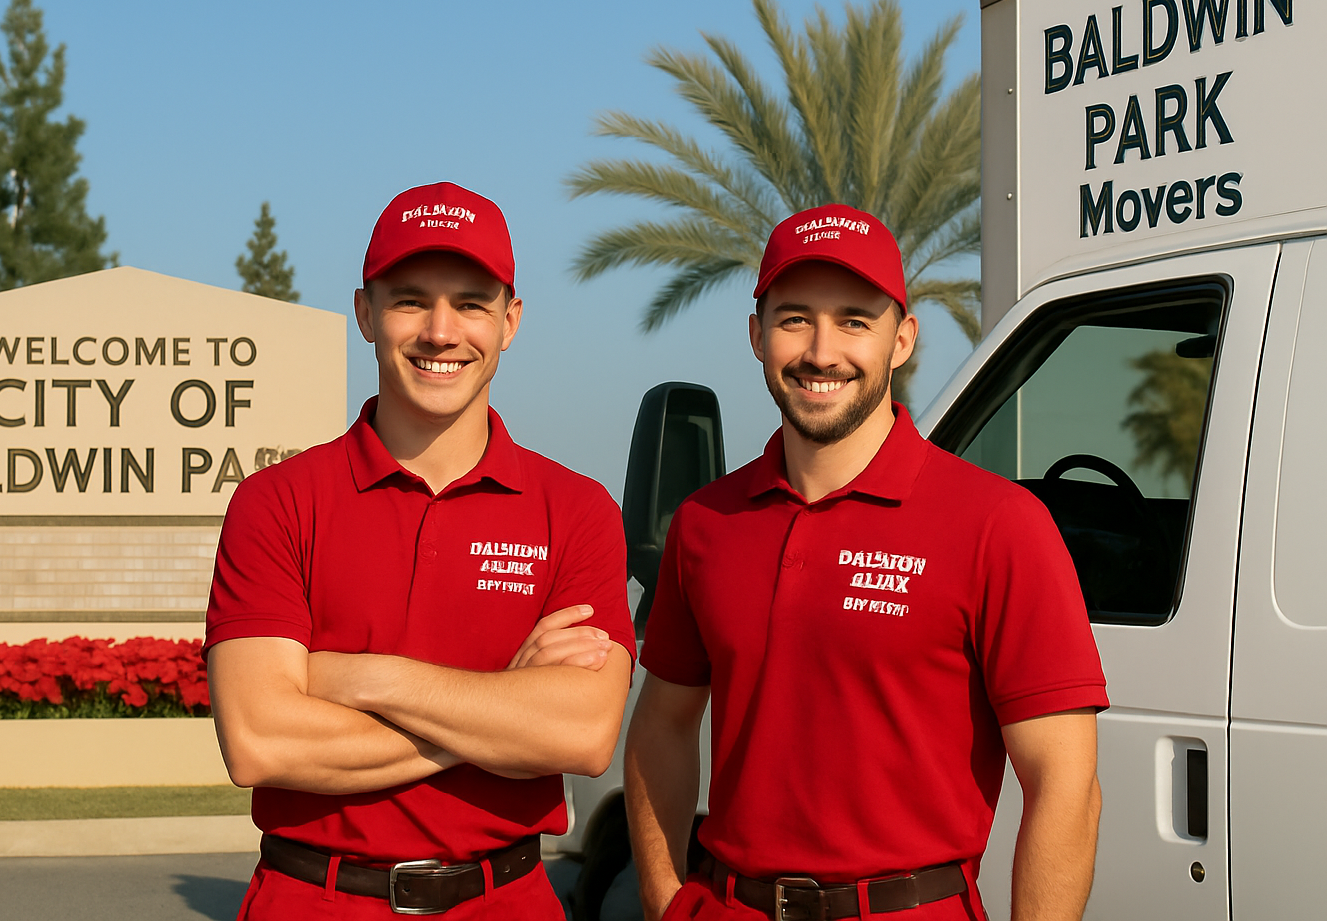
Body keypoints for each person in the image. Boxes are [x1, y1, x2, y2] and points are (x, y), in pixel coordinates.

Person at [624, 205, 1107, 921]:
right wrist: (668, 901)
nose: (822, 351)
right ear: (756, 334)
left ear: (902, 338)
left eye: (855, 320)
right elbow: (661, 723)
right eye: (794, 319)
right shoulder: (706, 524)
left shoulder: (998, 525)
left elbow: (1065, 781)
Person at [205, 181, 634, 919]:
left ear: (511, 320)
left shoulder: (578, 510)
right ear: (365, 313)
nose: (441, 331)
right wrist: (503, 704)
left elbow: (583, 735)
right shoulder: (276, 502)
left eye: (471, 302)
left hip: (507, 902)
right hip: (313, 900)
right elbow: (260, 741)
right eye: (410, 300)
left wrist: (359, 678)